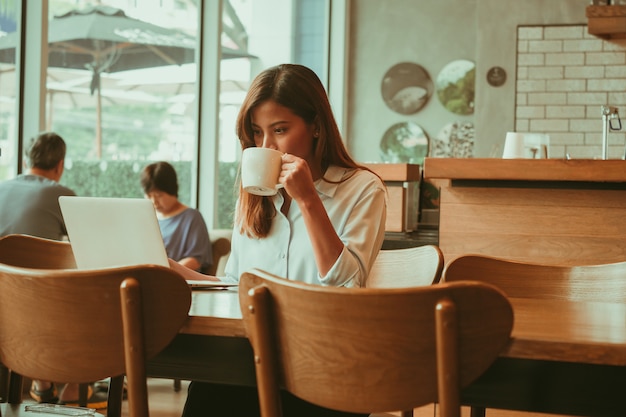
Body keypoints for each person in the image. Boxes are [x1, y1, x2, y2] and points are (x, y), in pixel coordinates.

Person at [169, 64, 386, 417]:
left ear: (316, 126)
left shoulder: (361, 190)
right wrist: (177, 272)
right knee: (208, 384)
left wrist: (308, 200)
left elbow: (347, 286)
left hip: (326, 366)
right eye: (257, 133)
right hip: (253, 357)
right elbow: (236, 286)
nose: (266, 146)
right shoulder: (254, 198)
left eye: (280, 130)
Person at [0, 132, 108, 408]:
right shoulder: (60, 194)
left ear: (26, 160)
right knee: (95, 299)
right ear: (60, 165)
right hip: (38, 305)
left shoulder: (2, 188)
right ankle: (73, 387)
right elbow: (91, 247)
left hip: (5, 303)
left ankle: (42, 383)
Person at [140, 161, 212, 273]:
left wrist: (167, 273)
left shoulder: (192, 217)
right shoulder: (146, 219)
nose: (154, 202)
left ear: (172, 191)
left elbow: (196, 260)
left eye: (159, 195)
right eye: (149, 196)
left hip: (175, 279)